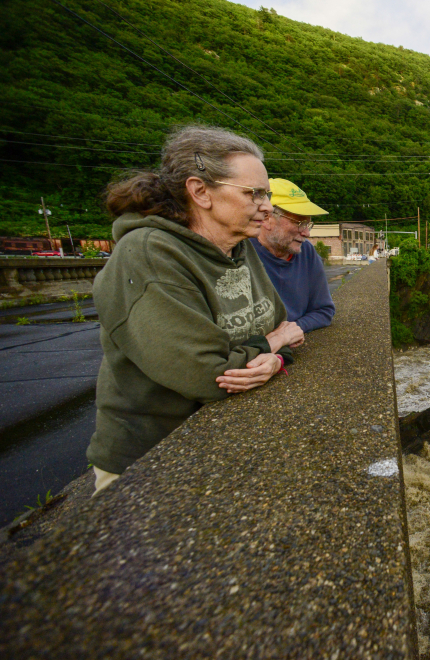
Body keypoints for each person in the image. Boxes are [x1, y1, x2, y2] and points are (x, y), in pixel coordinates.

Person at [86, 125, 303, 493]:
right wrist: (270, 346)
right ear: (200, 191)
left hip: (222, 441)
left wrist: (277, 356)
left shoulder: (238, 247)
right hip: (149, 463)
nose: (267, 206)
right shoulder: (148, 254)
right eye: (255, 194)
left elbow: (283, 327)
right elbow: (208, 374)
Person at [250, 178, 335, 333]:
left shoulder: (307, 252)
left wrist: (290, 331)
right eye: (299, 223)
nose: (306, 233)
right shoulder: (241, 252)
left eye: (308, 224)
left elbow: (324, 311)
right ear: (267, 218)